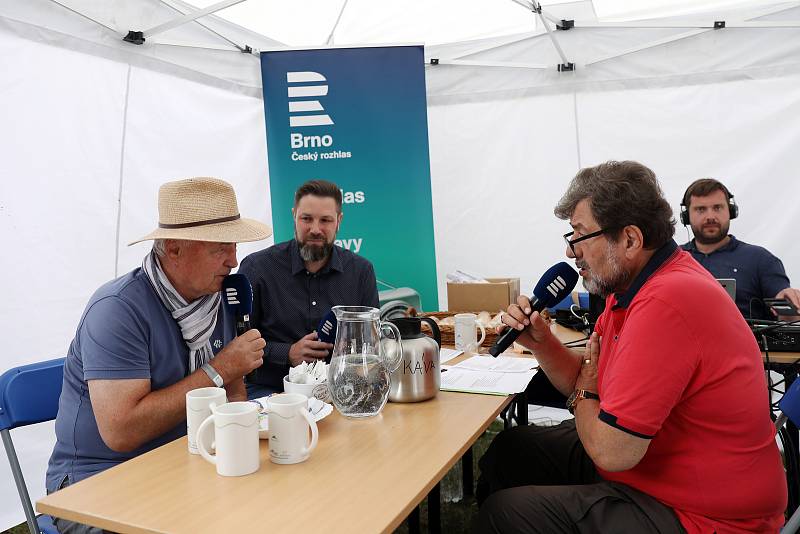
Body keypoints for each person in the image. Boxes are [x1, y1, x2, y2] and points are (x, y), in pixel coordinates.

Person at [476, 161, 785, 533]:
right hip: (655, 470)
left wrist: (587, 390)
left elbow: (613, 449)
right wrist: (543, 344)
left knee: (507, 514)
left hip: (707, 517)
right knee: (511, 451)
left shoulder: (667, 301)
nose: (573, 252)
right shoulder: (632, 286)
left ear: (630, 240)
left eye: (579, 235)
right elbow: (590, 379)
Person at [46, 177, 271, 534]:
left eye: (234, 244)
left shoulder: (220, 297)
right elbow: (121, 432)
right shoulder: (118, 309)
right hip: (98, 481)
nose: (233, 259)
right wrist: (219, 370)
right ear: (173, 248)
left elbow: (235, 392)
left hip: (185, 462)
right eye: (219, 248)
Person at [239, 179, 379, 397]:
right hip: (272, 394)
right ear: (294, 216)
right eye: (306, 218)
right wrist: (288, 353)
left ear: (338, 221)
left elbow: (371, 346)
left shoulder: (361, 272)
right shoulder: (257, 269)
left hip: (344, 392)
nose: (315, 229)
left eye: (325, 220)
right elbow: (237, 344)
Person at [680, 178, 800, 319]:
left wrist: (790, 304)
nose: (710, 217)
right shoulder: (671, 259)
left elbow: (788, 320)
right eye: (701, 209)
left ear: (731, 211)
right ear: (687, 216)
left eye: (717, 208)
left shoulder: (760, 259)